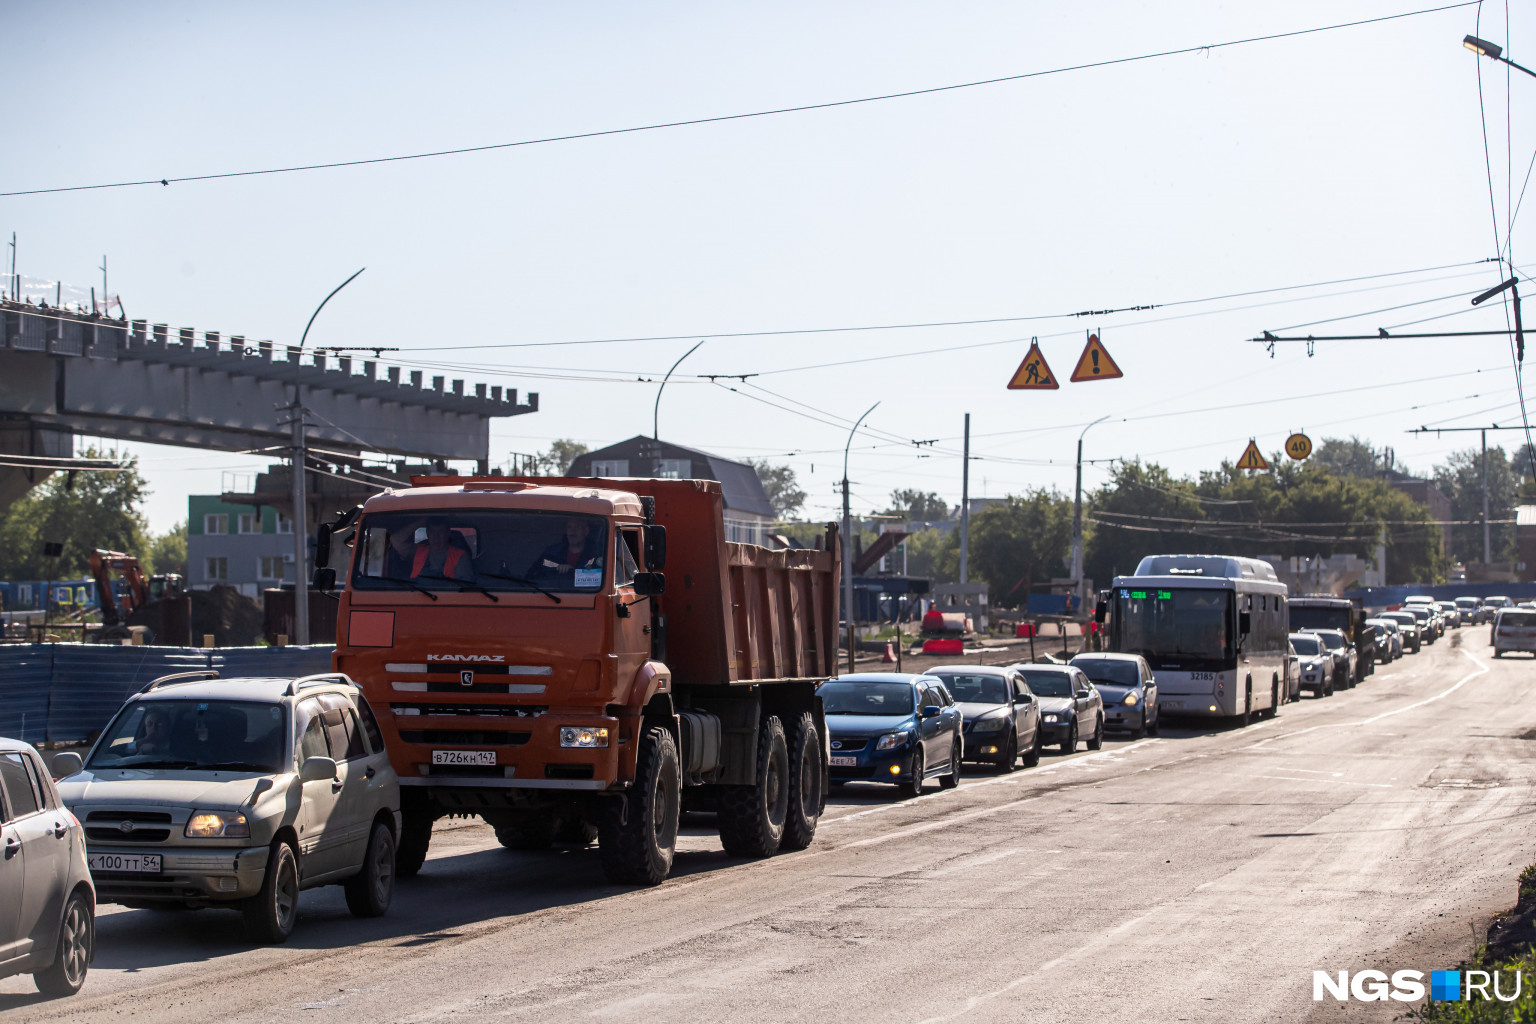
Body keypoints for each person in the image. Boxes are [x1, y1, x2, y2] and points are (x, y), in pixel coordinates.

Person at [389, 517, 475, 582]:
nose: (436, 537)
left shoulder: (460, 556)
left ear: (448, 533)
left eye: (440, 532)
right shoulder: (417, 551)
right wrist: (420, 522)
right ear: (427, 534)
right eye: (432, 532)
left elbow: (464, 587)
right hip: (416, 596)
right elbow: (395, 539)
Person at [531, 517, 605, 581]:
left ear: (586, 531)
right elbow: (533, 575)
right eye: (569, 527)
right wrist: (556, 567)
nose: (572, 531)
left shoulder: (597, 554)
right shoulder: (551, 553)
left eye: (577, 527)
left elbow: (600, 579)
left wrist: (573, 571)